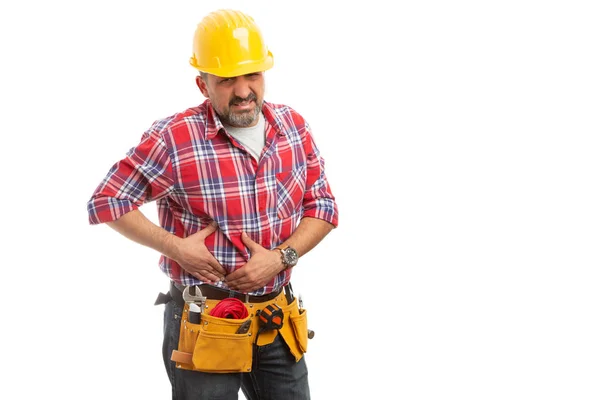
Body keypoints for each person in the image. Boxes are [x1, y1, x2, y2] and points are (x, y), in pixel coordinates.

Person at [86, 8, 338, 400]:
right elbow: (107, 201)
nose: (242, 91)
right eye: (226, 80)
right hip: (205, 320)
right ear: (203, 85)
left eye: (252, 75)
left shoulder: (293, 127)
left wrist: (281, 257)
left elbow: (323, 206)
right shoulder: (175, 138)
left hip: (276, 318)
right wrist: (174, 247)